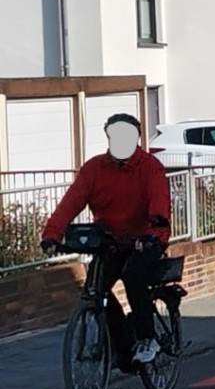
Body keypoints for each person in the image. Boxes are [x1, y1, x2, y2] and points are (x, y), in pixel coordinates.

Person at [41, 113, 173, 365]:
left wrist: (155, 228)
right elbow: (71, 202)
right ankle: (121, 346)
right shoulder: (94, 169)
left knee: (134, 276)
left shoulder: (148, 167)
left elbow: (159, 200)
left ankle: (148, 338)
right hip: (110, 241)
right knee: (95, 290)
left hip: (143, 238)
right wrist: (52, 234)